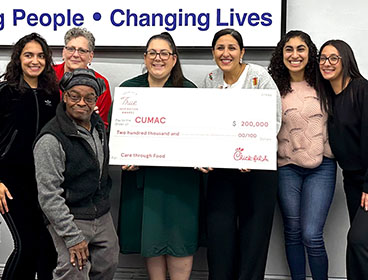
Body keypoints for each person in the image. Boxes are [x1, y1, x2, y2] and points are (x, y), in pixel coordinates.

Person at [200, 28, 281, 280]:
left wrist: (252, 153)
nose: (226, 53)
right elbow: (203, 125)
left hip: (256, 173)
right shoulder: (210, 80)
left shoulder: (259, 77)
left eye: (232, 48)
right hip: (221, 173)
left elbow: (273, 120)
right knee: (219, 238)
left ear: (242, 52)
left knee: (253, 240)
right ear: (213, 52)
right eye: (220, 48)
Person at [118, 32, 201, 280]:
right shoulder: (129, 90)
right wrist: (124, 156)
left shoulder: (190, 92)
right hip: (144, 180)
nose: (158, 58)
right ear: (145, 58)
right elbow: (119, 135)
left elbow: (201, 136)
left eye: (164, 53)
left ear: (174, 59)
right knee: (151, 238)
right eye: (152, 53)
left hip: (181, 182)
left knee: (180, 239)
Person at [33, 69, 119, 280]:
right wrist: (72, 237)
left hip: (100, 211)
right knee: (74, 270)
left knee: (108, 263)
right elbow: (49, 196)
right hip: (70, 215)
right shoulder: (51, 140)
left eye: (89, 97)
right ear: (64, 96)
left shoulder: (98, 127)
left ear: (96, 100)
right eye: (75, 96)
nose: (82, 102)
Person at [268, 30, 337, 280]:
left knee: (311, 234)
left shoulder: (324, 81)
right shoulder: (272, 85)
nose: (294, 55)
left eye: (300, 49)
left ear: (310, 53)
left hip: (322, 167)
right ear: (281, 54)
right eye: (289, 49)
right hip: (286, 166)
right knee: (293, 232)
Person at [0, 33, 59, 280]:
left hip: (43, 184)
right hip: (10, 183)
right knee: (26, 248)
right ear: (18, 59)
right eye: (28, 55)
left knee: (47, 252)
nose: (35, 61)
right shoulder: (5, 92)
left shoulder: (52, 94)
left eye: (40, 55)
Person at [318, 39, 368, 280]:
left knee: (358, 241)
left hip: (367, 181)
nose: (327, 63)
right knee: (359, 243)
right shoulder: (329, 97)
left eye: (333, 58)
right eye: (323, 58)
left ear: (345, 59)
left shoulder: (361, 89)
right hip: (351, 180)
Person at [53, 27, 112, 128]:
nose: (75, 55)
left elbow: (103, 125)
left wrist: (91, 118)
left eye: (82, 51)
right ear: (63, 52)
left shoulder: (100, 83)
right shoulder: (49, 75)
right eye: (71, 49)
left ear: (91, 56)